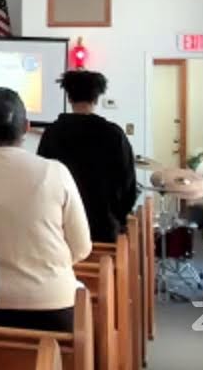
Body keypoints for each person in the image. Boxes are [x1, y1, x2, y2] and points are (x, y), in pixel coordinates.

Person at [0, 88, 92, 332]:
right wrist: (45, 265)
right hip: (52, 305)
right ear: (27, 127)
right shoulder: (55, 171)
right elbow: (82, 247)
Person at [37, 70, 138, 243]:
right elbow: (128, 184)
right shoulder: (114, 135)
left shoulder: (52, 133)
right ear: (96, 99)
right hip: (103, 228)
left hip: (60, 229)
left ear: (69, 98)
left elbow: (42, 180)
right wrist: (118, 219)